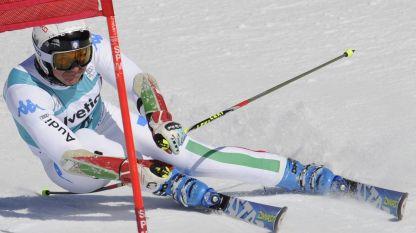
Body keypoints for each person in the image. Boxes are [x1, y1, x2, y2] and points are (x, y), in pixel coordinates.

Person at [3, 20, 347, 208]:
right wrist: (134, 170)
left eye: (82, 57)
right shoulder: (23, 90)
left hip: (103, 119)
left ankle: (292, 173)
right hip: (70, 165)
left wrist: (160, 118)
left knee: (179, 149)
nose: (76, 67)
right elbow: (69, 157)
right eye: (64, 62)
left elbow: (139, 81)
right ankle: (169, 182)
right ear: (43, 57)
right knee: (126, 159)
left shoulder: (92, 47)